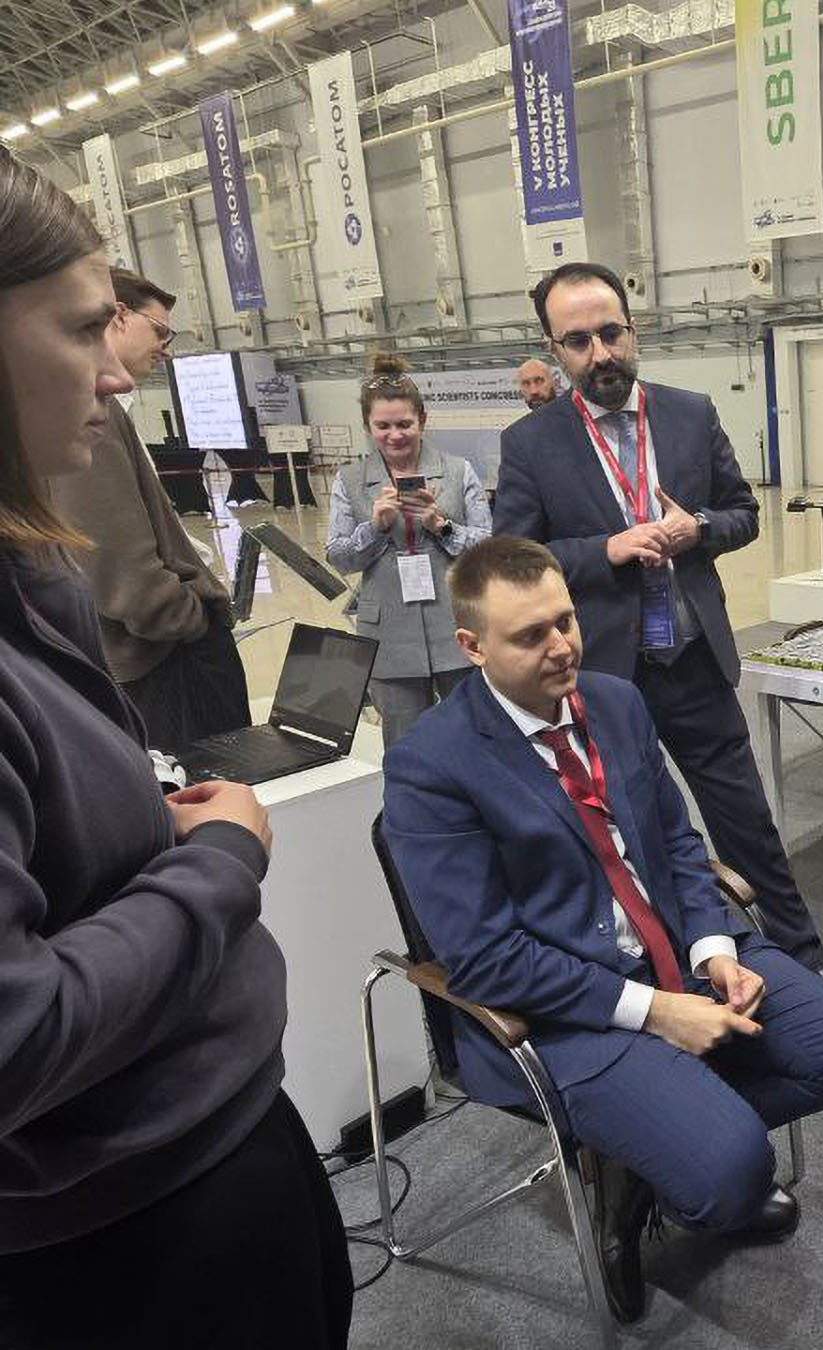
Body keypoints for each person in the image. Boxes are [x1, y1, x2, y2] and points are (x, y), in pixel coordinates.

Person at [0, 148, 350, 1348]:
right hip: (126, 1232)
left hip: (199, 1144)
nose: (113, 371)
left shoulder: (30, 573)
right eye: (80, 329)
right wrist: (219, 861)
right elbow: (17, 1038)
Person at [382, 536, 823, 1321]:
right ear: (472, 646)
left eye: (565, 621)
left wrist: (712, 949)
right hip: (563, 1011)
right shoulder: (432, 766)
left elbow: (678, 843)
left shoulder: (615, 702)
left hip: (677, 956)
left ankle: (644, 1156)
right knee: (731, 1175)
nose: (561, 646)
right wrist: (656, 1013)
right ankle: (668, 1156)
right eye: (530, 635)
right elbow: (484, 959)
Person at [495, 262, 823, 994]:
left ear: (634, 329)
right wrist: (607, 549)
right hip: (602, 680)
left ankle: (803, 960)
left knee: (746, 822)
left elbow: (743, 513)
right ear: (555, 350)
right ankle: (674, 977)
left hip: (692, 663)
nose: (600, 353)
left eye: (610, 333)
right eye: (577, 342)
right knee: (632, 834)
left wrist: (700, 529)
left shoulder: (691, 414)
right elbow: (515, 558)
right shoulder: (531, 443)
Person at [46, 266, 252, 749]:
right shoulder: (89, 414)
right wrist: (188, 619)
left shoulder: (101, 411)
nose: (166, 348)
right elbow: (113, 557)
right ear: (117, 315)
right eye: (159, 331)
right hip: (162, 661)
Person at [326, 351, 491, 749]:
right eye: (382, 426)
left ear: (422, 420)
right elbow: (339, 557)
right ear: (368, 426)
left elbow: (488, 546)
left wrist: (442, 526)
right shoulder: (349, 479)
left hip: (456, 624)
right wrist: (375, 527)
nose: (394, 435)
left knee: (474, 735)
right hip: (388, 634)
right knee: (406, 745)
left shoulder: (458, 471)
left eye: (404, 424)